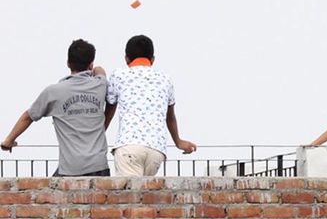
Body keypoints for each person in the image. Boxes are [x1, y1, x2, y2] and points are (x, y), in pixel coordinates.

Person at [1, 40, 111, 176]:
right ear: (90, 64)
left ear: (68, 63)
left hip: (70, 168)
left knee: (48, 193)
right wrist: (95, 69)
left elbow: (28, 116)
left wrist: (9, 140)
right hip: (99, 166)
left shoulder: (54, 92)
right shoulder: (100, 85)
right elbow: (101, 71)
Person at [105, 35, 197, 176]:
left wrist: (97, 136)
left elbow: (109, 111)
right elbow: (170, 116)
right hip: (156, 150)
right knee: (143, 195)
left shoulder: (119, 75)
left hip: (129, 147)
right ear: (153, 59)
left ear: (126, 58)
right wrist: (178, 141)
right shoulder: (165, 79)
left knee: (129, 197)